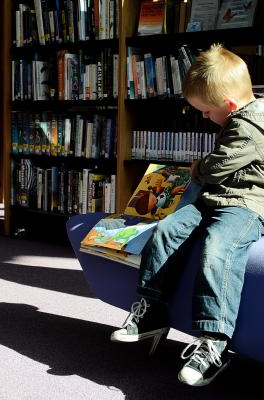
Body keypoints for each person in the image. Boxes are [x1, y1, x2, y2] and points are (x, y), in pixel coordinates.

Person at [110, 43, 264, 387]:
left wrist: (196, 168)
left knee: (218, 249)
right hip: (213, 200)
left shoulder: (253, 124)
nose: (205, 118)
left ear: (229, 104)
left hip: (245, 206)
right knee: (166, 230)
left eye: (207, 112)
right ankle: (151, 310)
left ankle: (215, 343)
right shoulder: (236, 115)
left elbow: (218, 165)